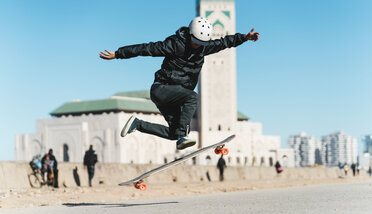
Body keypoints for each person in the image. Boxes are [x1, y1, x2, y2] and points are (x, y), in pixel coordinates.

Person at [99, 17, 260, 150]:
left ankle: (139, 125)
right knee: (192, 98)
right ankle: (183, 135)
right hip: (162, 89)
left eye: (201, 43)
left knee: (173, 133)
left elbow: (224, 42)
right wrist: (118, 54)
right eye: (196, 41)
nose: (198, 45)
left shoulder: (203, 48)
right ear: (190, 35)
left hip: (175, 96)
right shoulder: (174, 44)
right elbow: (146, 49)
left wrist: (244, 38)